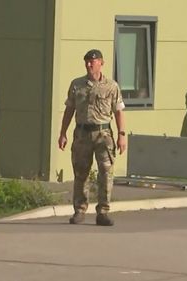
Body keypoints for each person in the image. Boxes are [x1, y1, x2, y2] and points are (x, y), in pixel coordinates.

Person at [58, 49, 126, 226]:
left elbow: (118, 112)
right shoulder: (77, 85)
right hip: (82, 133)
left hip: (103, 134)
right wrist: (63, 133)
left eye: (92, 61)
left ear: (101, 63)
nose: (89, 65)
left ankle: (103, 211)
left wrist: (122, 135)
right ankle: (79, 210)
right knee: (81, 172)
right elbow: (69, 109)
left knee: (105, 172)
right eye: (86, 61)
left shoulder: (111, 86)